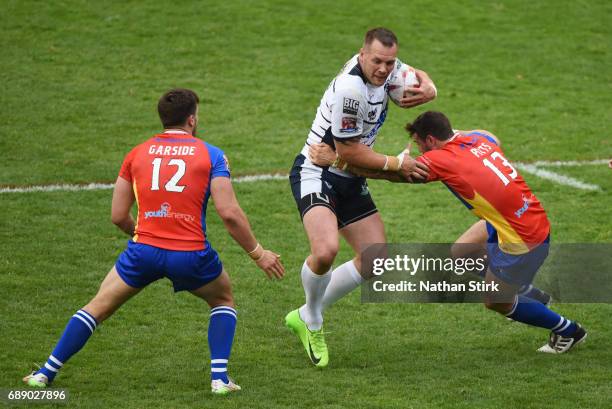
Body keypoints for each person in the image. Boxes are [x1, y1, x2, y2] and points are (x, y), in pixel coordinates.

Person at [23, 88, 284, 394]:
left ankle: (44, 374)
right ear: (192, 119)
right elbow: (229, 214)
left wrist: (144, 235)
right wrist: (258, 253)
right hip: (190, 255)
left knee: (98, 307)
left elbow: (118, 215)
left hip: (142, 252)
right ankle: (219, 379)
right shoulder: (212, 155)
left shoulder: (136, 154)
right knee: (222, 299)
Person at [310, 111, 587, 353]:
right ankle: (529, 294)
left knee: (496, 302)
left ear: (431, 140)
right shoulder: (479, 140)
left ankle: (568, 331)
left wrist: (339, 161)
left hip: (521, 238)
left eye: (419, 144)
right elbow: (491, 136)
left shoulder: (442, 159)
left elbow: (397, 174)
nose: (419, 151)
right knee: (461, 253)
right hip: (514, 219)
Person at [286, 27, 435, 368]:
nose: (384, 69)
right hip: (318, 170)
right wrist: (397, 164)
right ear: (362, 54)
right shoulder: (350, 90)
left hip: (350, 175)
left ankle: (306, 314)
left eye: (390, 62)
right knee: (325, 251)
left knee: (374, 258)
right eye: (377, 61)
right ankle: (314, 321)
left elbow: (419, 80)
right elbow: (350, 152)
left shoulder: (390, 68)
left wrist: (429, 87)